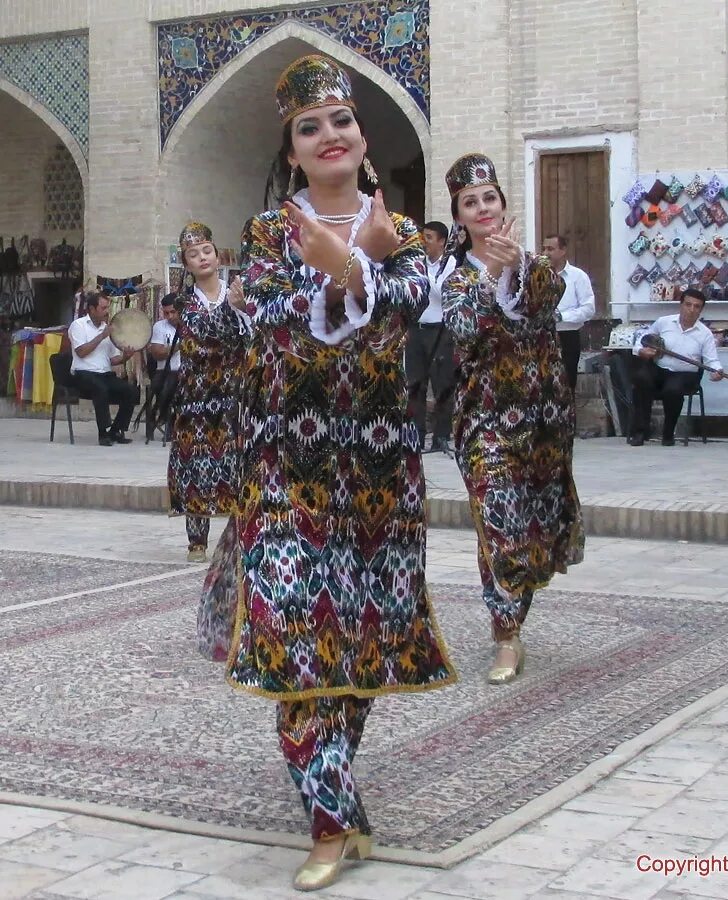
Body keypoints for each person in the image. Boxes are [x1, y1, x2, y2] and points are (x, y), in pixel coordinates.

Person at [231, 54, 454, 892]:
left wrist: (356, 265)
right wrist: (337, 269)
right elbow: (263, 314)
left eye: (342, 122)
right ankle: (328, 820)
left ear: (362, 137)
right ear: (293, 151)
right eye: (309, 127)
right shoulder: (265, 235)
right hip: (286, 471)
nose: (330, 136)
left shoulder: (403, 234)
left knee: (359, 645)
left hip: (378, 475)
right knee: (294, 640)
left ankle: (336, 791)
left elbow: (407, 303)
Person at [441, 152, 584, 685]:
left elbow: (550, 300)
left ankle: (514, 620)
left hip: (544, 423)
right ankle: (505, 636)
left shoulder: (538, 269)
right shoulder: (456, 282)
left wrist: (515, 267)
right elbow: (466, 330)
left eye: (489, 199)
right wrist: (493, 275)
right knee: (498, 520)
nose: (481, 209)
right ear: (458, 216)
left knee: (533, 528)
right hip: (486, 423)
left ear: (503, 206)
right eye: (469, 203)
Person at [167, 222, 249, 563]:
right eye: (193, 255)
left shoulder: (239, 293)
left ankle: (240, 537)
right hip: (196, 399)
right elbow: (198, 341)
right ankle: (196, 541)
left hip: (234, 396)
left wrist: (243, 308)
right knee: (195, 465)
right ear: (186, 264)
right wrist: (232, 315)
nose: (201, 258)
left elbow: (251, 340)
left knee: (238, 465)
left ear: (217, 255)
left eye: (206, 251)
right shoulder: (184, 303)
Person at [629, 288, 727, 447]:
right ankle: (640, 432)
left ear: (701, 310)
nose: (691, 310)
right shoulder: (664, 322)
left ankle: (668, 434)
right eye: (688, 305)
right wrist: (641, 350)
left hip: (685, 374)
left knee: (673, 389)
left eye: (696, 306)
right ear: (681, 305)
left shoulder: (705, 333)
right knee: (641, 379)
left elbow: (712, 360)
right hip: (660, 368)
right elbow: (642, 338)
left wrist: (717, 371)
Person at [405, 220, 456, 453]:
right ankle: (416, 434)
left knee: (442, 383)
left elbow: (440, 293)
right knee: (415, 384)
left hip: (440, 330)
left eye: (428, 237)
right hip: (416, 329)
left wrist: (422, 277)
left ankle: (442, 435)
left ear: (442, 241)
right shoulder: (418, 263)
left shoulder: (451, 263)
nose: (423, 242)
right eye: (422, 237)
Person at [67, 292, 140, 446]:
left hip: (105, 374)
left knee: (130, 391)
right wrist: (101, 336)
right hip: (83, 374)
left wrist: (126, 356)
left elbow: (114, 359)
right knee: (100, 388)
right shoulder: (78, 326)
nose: (107, 311)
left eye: (107, 307)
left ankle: (115, 430)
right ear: (92, 309)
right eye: (103, 308)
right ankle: (103, 433)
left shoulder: (107, 329)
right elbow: (81, 352)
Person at [543, 233, 595, 395]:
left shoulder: (578, 276)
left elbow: (588, 309)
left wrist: (562, 317)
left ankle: (568, 418)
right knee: (544, 384)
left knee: (567, 382)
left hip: (568, 336)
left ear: (563, 250)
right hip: (543, 336)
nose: (545, 253)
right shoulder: (538, 275)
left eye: (550, 249)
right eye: (544, 248)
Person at [145, 293, 183, 442]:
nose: (169, 316)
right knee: (167, 387)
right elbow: (158, 353)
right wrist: (180, 345)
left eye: (173, 312)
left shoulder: (191, 324)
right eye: (166, 313)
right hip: (167, 373)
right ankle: (170, 425)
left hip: (187, 371)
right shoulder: (159, 326)